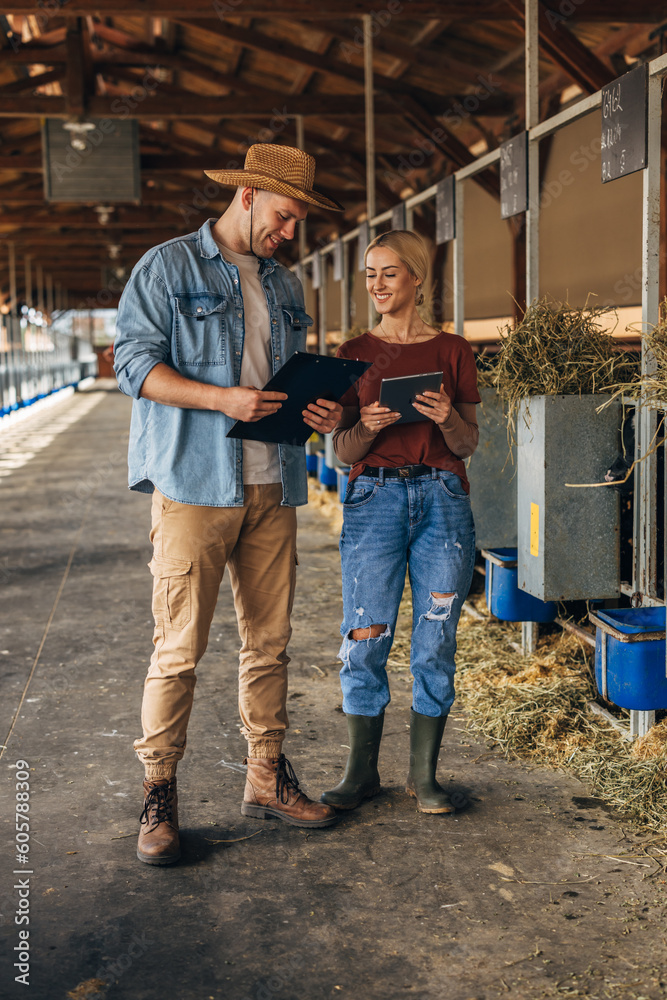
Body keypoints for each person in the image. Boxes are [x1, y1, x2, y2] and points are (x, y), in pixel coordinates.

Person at [113, 144, 344, 866]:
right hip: (193, 483)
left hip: (271, 480)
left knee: (269, 643)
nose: (289, 232)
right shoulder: (168, 266)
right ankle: (158, 794)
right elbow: (133, 365)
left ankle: (266, 777)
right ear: (246, 196)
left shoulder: (284, 286)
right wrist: (221, 398)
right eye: (282, 216)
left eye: (298, 220)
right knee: (179, 649)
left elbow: (288, 384)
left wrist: (322, 413)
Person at [321, 230, 481, 815]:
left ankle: (424, 777)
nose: (377, 284)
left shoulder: (452, 350)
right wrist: (367, 425)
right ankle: (359, 773)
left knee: (435, 638)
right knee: (366, 635)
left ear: (416, 277)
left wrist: (444, 420)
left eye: (389, 273)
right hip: (375, 499)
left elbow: (468, 444)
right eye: (369, 273)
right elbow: (342, 450)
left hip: (441, 498)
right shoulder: (351, 353)